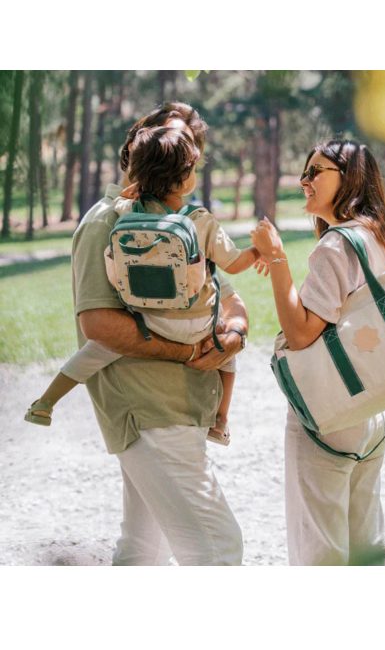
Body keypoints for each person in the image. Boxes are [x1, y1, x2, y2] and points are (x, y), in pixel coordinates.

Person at [29, 103, 247, 566]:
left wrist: (234, 334)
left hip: (181, 407)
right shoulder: (108, 221)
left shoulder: (185, 222)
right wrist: (187, 350)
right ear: (137, 145)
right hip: (150, 410)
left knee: (145, 546)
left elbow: (230, 298)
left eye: (188, 152)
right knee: (218, 547)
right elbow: (98, 325)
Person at [25, 124, 263, 446]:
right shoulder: (201, 220)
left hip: (148, 319)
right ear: (186, 177)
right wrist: (262, 250)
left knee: (95, 351)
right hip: (195, 326)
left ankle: (46, 402)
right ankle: (221, 420)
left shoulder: (124, 213)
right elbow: (234, 264)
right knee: (227, 350)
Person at [251, 139, 385, 566]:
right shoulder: (380, 237)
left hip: (330, 410)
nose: (305, 180)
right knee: (363, 546)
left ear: (350, 177)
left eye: (316, 171)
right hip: (372, 407)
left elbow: (302, 334)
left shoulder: (335, 246)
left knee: (320, 552)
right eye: (305, 171)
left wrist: (278, 259)